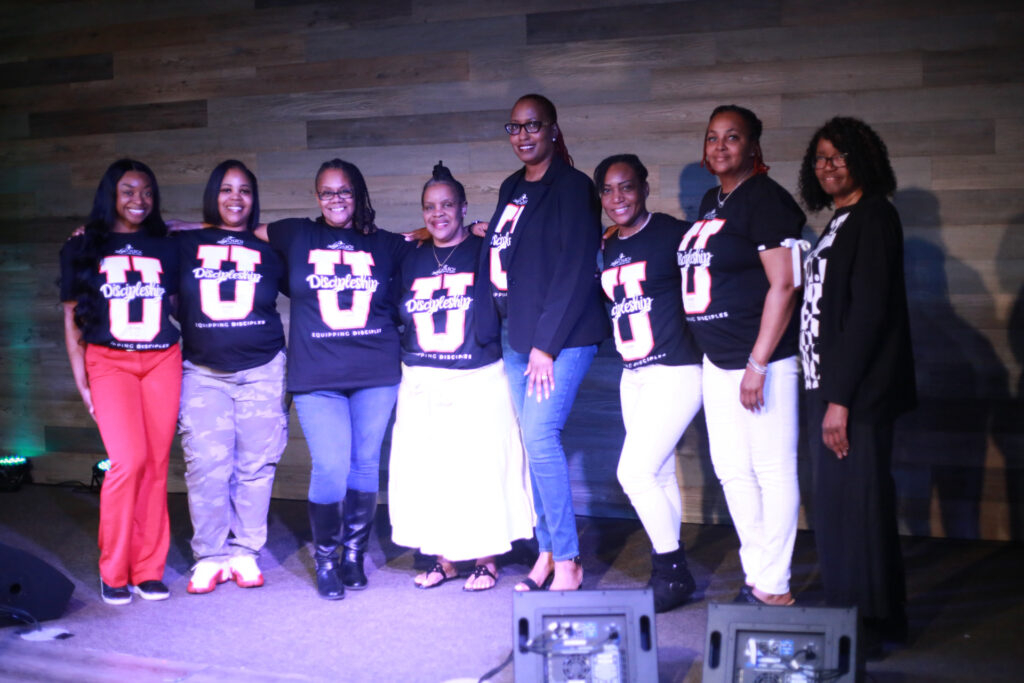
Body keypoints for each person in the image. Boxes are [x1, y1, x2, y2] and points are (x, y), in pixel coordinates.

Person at [254, 159, 410, 600]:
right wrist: (177, 229)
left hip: (375, 370)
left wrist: (470, 229)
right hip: (316, 373)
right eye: (327, 192)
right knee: (330, 465)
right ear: (316, 196)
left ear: (357, 193)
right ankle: (326, 559)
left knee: (364, 463)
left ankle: (353, 556)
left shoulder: (384, 243)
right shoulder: (296, 233)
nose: (336, 199)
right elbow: (235, 227)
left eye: (344, 191)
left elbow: (430, 239)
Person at [477, 94, 609, 592]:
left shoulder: (573, 187)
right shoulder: (512, 187)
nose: (523, 135)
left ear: (553, 129)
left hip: (559, 339)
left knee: (539, 438)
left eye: (533, 125)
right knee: (533, 445)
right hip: (517, 334)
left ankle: (569, 559)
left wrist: (545, 346)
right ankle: (547, 552)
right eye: (515, 127)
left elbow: (575, 267)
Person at [678, 105, 805, 606]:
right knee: (732, 469)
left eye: (732, 137)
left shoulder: (768, 200)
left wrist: (757, 363)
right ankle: (759, 571)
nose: (720, 146)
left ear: (753, 146)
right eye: (712, 137)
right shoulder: (712, 200)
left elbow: (785, 284)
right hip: (719, 361)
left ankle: (776, 584)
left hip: (763, 361)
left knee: (772, 469)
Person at [797, 117, 915, 648]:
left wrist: (839, 401)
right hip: (827, 387)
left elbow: (867, 314)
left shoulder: (874, 217)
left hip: (853, 395)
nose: (828, 166)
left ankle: (870, 623)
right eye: (821, 158)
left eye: (839, 157)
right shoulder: (841, 220)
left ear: (863, 160)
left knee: (858, 509)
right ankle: (862, 617)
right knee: (840, 508)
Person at [388, 162, 534, 591]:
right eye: (430, 207)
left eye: (448, 205)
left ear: (464, 207)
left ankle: (486, 560)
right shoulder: (412, 257)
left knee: (480, 471)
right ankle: (444, 558)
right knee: (430, 473)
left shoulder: (484, 249)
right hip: (421, 376)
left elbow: (529, 245)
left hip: (477, 375)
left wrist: (480, 230)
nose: (439, 214)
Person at [60, 159, 180, 605]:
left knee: (156, 465)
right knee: (127, 461)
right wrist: (83, 380)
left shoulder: (166, 244)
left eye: (146, 191)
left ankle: (147, 569)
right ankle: (113, 570)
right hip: (109, 362)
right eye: (128, 191)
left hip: (162, 359)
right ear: (110, 193)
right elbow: (71, 319)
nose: (138, 200)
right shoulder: (82, 246)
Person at [595, 154, 702, 612]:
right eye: (608, 190)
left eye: (626, 186)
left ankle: (672, 568)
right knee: (656, 473)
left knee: (633, 473)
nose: (617, 197)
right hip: (633, 373)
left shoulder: (673, 234)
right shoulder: (606, 246)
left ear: (644, 187)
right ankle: (670, 574)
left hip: (676, 368)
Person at [176, 160, 288, 594]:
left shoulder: (270, 247)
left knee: (256, 465)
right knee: (206, 466)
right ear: (213, 195)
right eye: (226, 189)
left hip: (262, 368)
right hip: (204, 373)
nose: (235, 197)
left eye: (244, 190)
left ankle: (244, 551)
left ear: (254, 198)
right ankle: (209, 555)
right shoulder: (185, 243)